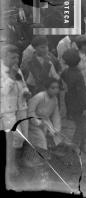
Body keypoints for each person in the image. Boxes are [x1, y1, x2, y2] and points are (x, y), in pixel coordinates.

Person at [1, 45, 31, 177]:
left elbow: (23, 84)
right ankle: (11, 166)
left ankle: (19, 161)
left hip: (21, 107)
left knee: (24, 136)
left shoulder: (16, 69)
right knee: (14, 137)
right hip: (7, 111)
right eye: (13, 57)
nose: (16, 60)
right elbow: (3, 92)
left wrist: (26, 92)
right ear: (4, 56)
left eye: (17, 57)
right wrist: (11, 77)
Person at [60, 49, 86, 154]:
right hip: (79, 104)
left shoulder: (65, 72)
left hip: (70, 102)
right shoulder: (78, 75)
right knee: (81, 126)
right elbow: (82, 92)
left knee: (80, 125)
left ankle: (82, 146)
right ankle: (73, 148)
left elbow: (63, 81)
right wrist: (85, 106)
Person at [27, 78, 61, 155]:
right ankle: (38, 158)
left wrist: (56, 129)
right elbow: (30, 112)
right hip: (32, 123)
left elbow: (56, 115)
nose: (55, 90)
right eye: (52, 88)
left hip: (45, 121)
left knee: (56, 137)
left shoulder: (55, 99)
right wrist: (38, 123)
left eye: (57, 88)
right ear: (47, 88)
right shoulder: (39, 97)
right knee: (41, 140)